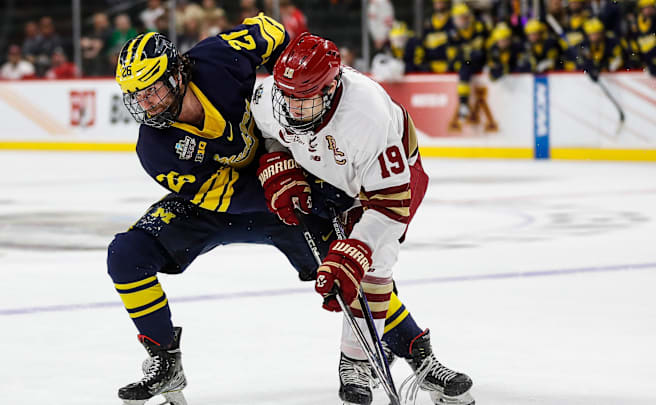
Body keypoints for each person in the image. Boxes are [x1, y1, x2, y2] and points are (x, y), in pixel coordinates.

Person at [111, 16, 472, 405]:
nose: (147, 104)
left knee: (354, 271)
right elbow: (224, 196)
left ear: (178, 73)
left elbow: (274, 33)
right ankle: (164, 360)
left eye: (154, 90)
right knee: (127, 255)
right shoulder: (155, 149)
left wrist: (301, 92)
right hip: (238, 201)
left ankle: (418, 354)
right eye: (138, 96)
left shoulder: (218, 58)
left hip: (292, 177)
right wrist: (295, 187)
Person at [250, 32, 474, 405]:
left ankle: (355, 360)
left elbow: (390, 205)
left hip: (389, 185)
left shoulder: (367, 115)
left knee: (374, 264)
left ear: (331, 88)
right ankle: (414, 354)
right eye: (286, 98)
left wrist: (357, 248)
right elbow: (268, 131)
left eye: (302, 102)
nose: (290, 110)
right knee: (353, 272)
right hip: (330, 177)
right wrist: (278, 161)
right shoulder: (276, 95)